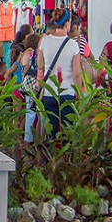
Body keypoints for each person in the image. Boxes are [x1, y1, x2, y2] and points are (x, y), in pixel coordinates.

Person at [37, 8, 81, 138]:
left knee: (51, 133)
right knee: (67, 134)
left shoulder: (44, 41)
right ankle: (66, 158)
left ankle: (50, 158)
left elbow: (40, 66)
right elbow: (76, 74)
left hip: (49, 92)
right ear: (67, 23)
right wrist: (79, 94)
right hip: (67, 93)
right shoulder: (73, 45)